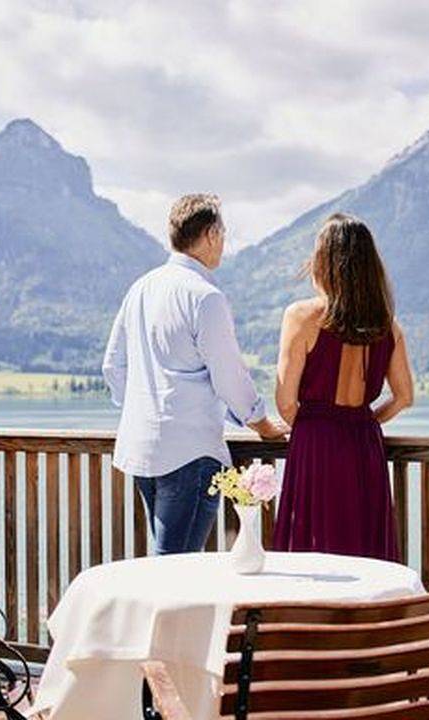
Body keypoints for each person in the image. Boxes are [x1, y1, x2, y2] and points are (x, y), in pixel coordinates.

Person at [103, 194, 288, 555]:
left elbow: (113, 366)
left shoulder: (140, 288)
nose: (224, 244)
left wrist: (145, 410)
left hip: (142, 448)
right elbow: (229, 375)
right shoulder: (205, 297)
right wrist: (261, 423)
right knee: (176, 569)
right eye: (223, 234)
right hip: (190, 451)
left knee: (165, 562)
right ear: (210, 234)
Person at [271, 213, 413, 561]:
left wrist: (314, 427)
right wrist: (365, 423)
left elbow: (285, 403)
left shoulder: (302, 316)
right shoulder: (387, 326)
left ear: (323, 262)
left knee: (312, 553)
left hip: (316, 444)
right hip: (364, 445)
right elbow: (405, 396)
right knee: (364, 549)